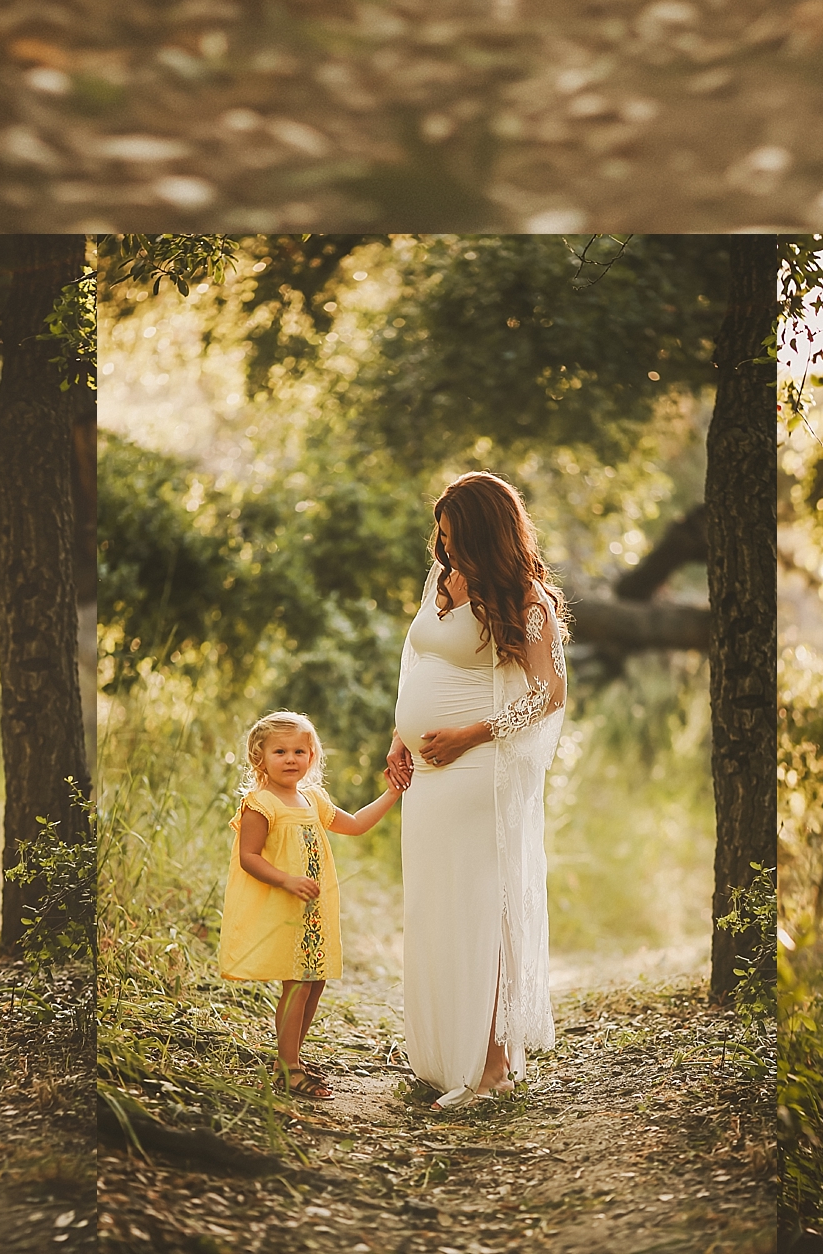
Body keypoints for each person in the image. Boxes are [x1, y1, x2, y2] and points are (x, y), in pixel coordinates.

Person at [385, 471, 567, 1110]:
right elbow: (419, 662)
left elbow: (548, 694)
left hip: (477, 772)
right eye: (441, 532)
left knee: (480, 910)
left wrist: (472, 734)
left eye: (457, 535)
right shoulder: (441, 581)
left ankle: (489, 1067)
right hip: (428, 777)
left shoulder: (525, 598)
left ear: (488, 534)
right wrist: (398, 737)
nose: (445, 545)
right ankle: (441, 1056)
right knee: (435, 906)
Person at [216, 709, 401, 1093]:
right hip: (285, 906)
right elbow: (249, 857)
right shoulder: (260, 804)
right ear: (259, 757)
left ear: (312, 756)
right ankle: (289, 1069)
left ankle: (292, 1057)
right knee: (297, 983)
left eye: (299, 751)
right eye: (280, 751)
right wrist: (286, 880)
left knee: (314, 982)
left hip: (315, 909)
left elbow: (355, 824)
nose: (290, 759)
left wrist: (392, 793)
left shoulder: (313, 799)